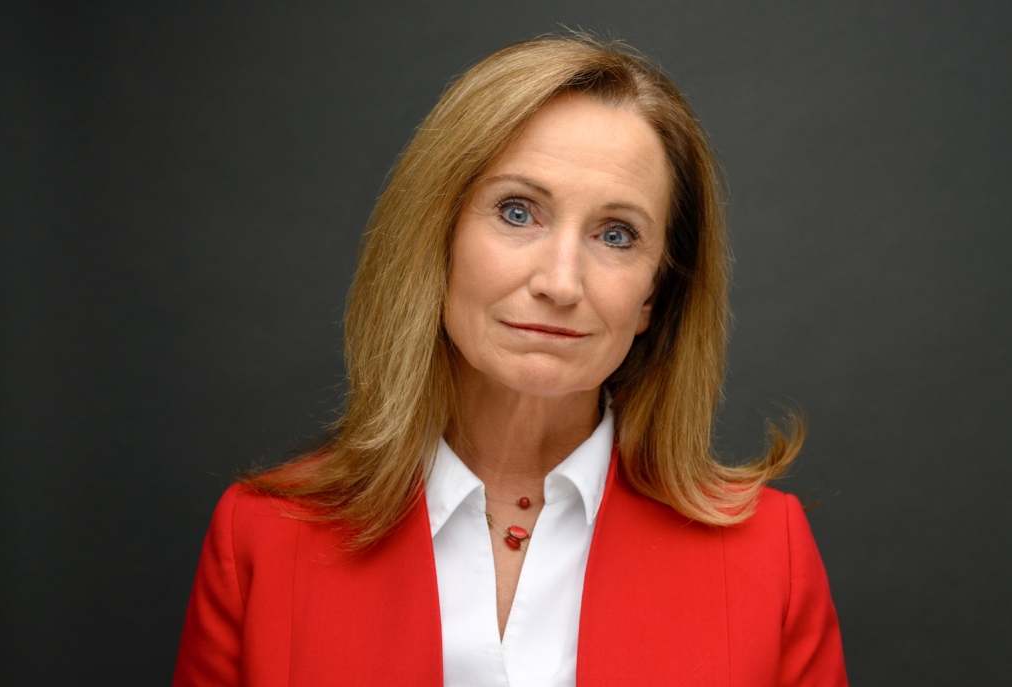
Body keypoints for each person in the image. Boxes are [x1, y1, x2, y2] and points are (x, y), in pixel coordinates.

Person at [173, 35, 847, 686]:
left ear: (653, 295)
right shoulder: (262, 539)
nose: (561, 282)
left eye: (616, 235)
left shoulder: (769, 557)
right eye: (518, 212)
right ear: (436, 239)